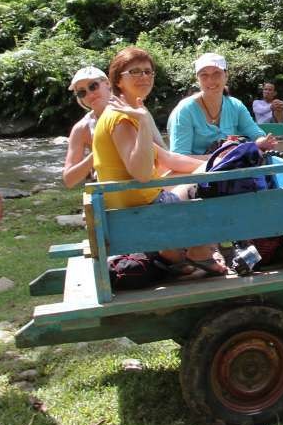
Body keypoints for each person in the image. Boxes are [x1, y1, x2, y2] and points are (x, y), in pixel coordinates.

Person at [93, 46, 226, 274]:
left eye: (148, 71)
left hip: (142, 204)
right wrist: (144, 122)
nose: (144, 77)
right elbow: (142, 173)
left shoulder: (131, 110)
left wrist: (216, 163)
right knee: (206, 187)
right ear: (118, 80)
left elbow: (167, 159)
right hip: (140, 212)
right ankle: (199, 251)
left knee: (205, 175)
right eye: (134, 72)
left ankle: (176, 254)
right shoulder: (122, 118)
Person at [168, 53, 277, 156]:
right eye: (204, 75)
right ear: (198, 80)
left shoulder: (236, 106)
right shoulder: (185, 110)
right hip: (196, 173)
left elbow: (255, 134)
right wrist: (219, 158)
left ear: (226, 76)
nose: (210, 80)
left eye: (216, 73)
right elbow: (179, 157)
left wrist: (262, 141)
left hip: (232, 169)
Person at [62, 66, 112, 188]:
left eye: (93, 86)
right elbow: (69, 180)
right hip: (106, 189)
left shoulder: (133, 111)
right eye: (82, 92)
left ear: (107, 84)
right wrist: (97, 153)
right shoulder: (82, 128)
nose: (89, 94)